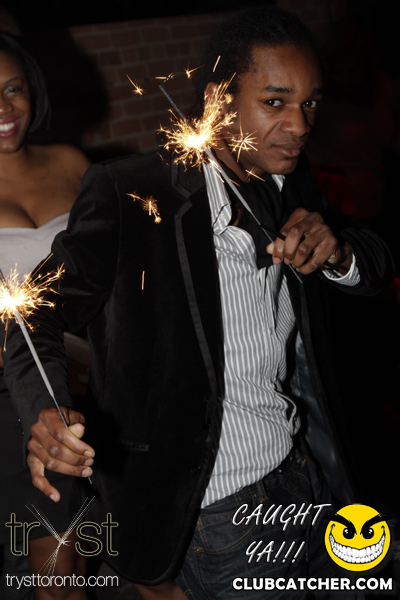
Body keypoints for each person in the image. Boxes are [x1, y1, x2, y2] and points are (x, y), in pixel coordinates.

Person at [0, 7, 394, 599]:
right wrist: (47, 412)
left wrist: (337, 251)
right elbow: (32, 313)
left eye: (310, 103)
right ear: (218, 99)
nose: (299, 124)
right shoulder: (135, 193)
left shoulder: (287, 174)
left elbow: (374, 260)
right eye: (275, 102)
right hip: (219, 512)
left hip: (307, 475)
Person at [0, 31, 91, 599]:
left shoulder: (72, 163)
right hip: (17, 398)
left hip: (100, 382)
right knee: (55, 573)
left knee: (133, 559)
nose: (4, 108)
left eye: (13, 88)